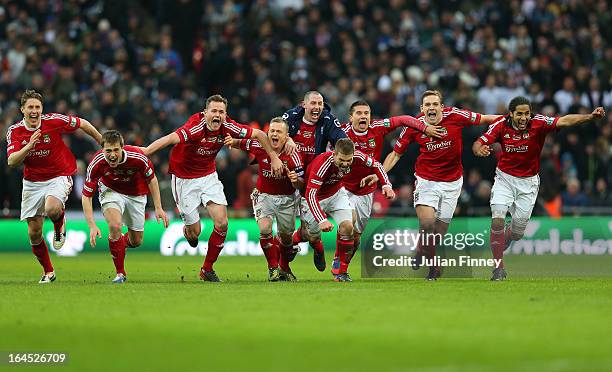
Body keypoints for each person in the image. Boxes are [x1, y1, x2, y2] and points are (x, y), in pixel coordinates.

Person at [143, 94, 281, 282]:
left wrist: (273, 157)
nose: (217, 115)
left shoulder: (227, 126)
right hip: (184, 178)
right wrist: (145, 152)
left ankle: (207, 269)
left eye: (221, 112)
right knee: (195, 232)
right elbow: (170, 139)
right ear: (205, 112)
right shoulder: (195, 127)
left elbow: (259, 134)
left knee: (222, 222)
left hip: (208, 175)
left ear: (225, 114)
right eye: (214, 111)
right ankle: (188, 231)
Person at [473, 96, 605, 280]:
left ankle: (508, 236)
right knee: (497, 219)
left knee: (517, 234)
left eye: (526, 113)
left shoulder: (539, 123)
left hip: (529, 183)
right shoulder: (500, 125)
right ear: (511, 114)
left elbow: (565, 120)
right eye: (519, 113)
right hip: (504, 179)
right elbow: (478, 143)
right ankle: (498, 268)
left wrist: (590, 117)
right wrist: (479, 149)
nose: (523, 117)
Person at [381, 90, 500, 280]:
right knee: (427, 224)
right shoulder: (414, 125)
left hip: (452, 183)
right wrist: (381, 175)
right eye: (427, 105)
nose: (431, 108)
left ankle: (421, 249)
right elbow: (395, 154)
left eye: (435, 104)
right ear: (422, 108)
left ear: (441, 107)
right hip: (426, 181)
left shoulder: (455, 115)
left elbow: (485, 118)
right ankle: (433, 268)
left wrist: (509, 120)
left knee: (438, 234)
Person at [6, 89, 102, 284]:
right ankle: (48, 271)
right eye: (30, 107)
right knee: (34, 232)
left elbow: (82, 123)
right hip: (32, 182)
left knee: (52, 208)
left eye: (37, 107)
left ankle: (59, 224)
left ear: (42, 109)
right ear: (22, 109)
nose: (34, 111)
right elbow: (11, 161)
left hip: (59, 174)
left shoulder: (52, 121)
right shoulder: (15, 131)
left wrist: (102, 142)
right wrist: (28, 146)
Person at [339, 99, 444, 273]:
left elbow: (403, 119)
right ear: (351, 117)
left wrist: (424, 128)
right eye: (359, 113)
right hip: (343, 186)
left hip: (366, 190)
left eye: (366, 113)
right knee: (347, 223)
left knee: (356, 238)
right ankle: (338, 265)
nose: (363, 116)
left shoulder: (378, 127)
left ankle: (344, 265)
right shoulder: (341, 133)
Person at [82, 130, 169, 283]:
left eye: (116, 149)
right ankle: (120, 273)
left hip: (136, 194)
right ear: (102, 150)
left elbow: (152, 180)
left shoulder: (138, 158)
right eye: (108, 151)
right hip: (110, 190)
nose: (112, 155)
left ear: (122, 147)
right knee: (115, 226)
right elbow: (86, 195)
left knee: (136, 241)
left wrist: (158, 207)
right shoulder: (96, 163)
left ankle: (118, 244)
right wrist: (91, 224)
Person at [224, 117, 304, 281]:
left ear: (286, 136)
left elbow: (302, 185)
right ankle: (273, 269)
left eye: (278, 132)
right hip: (263, 195)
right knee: (265, 228)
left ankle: (284, 267)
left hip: (287, 199)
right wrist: (233, 141)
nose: (274, 134)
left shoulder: (294, 155)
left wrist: (296, 180)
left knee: (287, 238)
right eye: (272, 131)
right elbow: (243, 143)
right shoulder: (260, 145)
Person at [304, 138, 395, 282]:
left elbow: (376, 164)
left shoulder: (358, 156)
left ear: (353, 154)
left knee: (348, 226)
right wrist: (322, 219)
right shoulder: (322, 164)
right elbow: (310, 194)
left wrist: (386, 184)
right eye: (341, 160)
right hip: (316, 197)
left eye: (349, 160)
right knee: (309, 235)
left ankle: (341, 271)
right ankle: (316, 247)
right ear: (334, 154)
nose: (345, 164)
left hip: (336, 193)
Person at [283, 91, 346, 272]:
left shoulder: (328, 119)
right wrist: (287, 138)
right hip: (290, 175)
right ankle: (295, 246)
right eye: (313, 103)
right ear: (304, 104)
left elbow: (341, 139)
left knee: (309, 231)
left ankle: (312, 247)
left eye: (320, 103)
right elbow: (274, 131)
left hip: (314, 178)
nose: (317, 107)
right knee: (299, 229)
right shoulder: (291, 117)